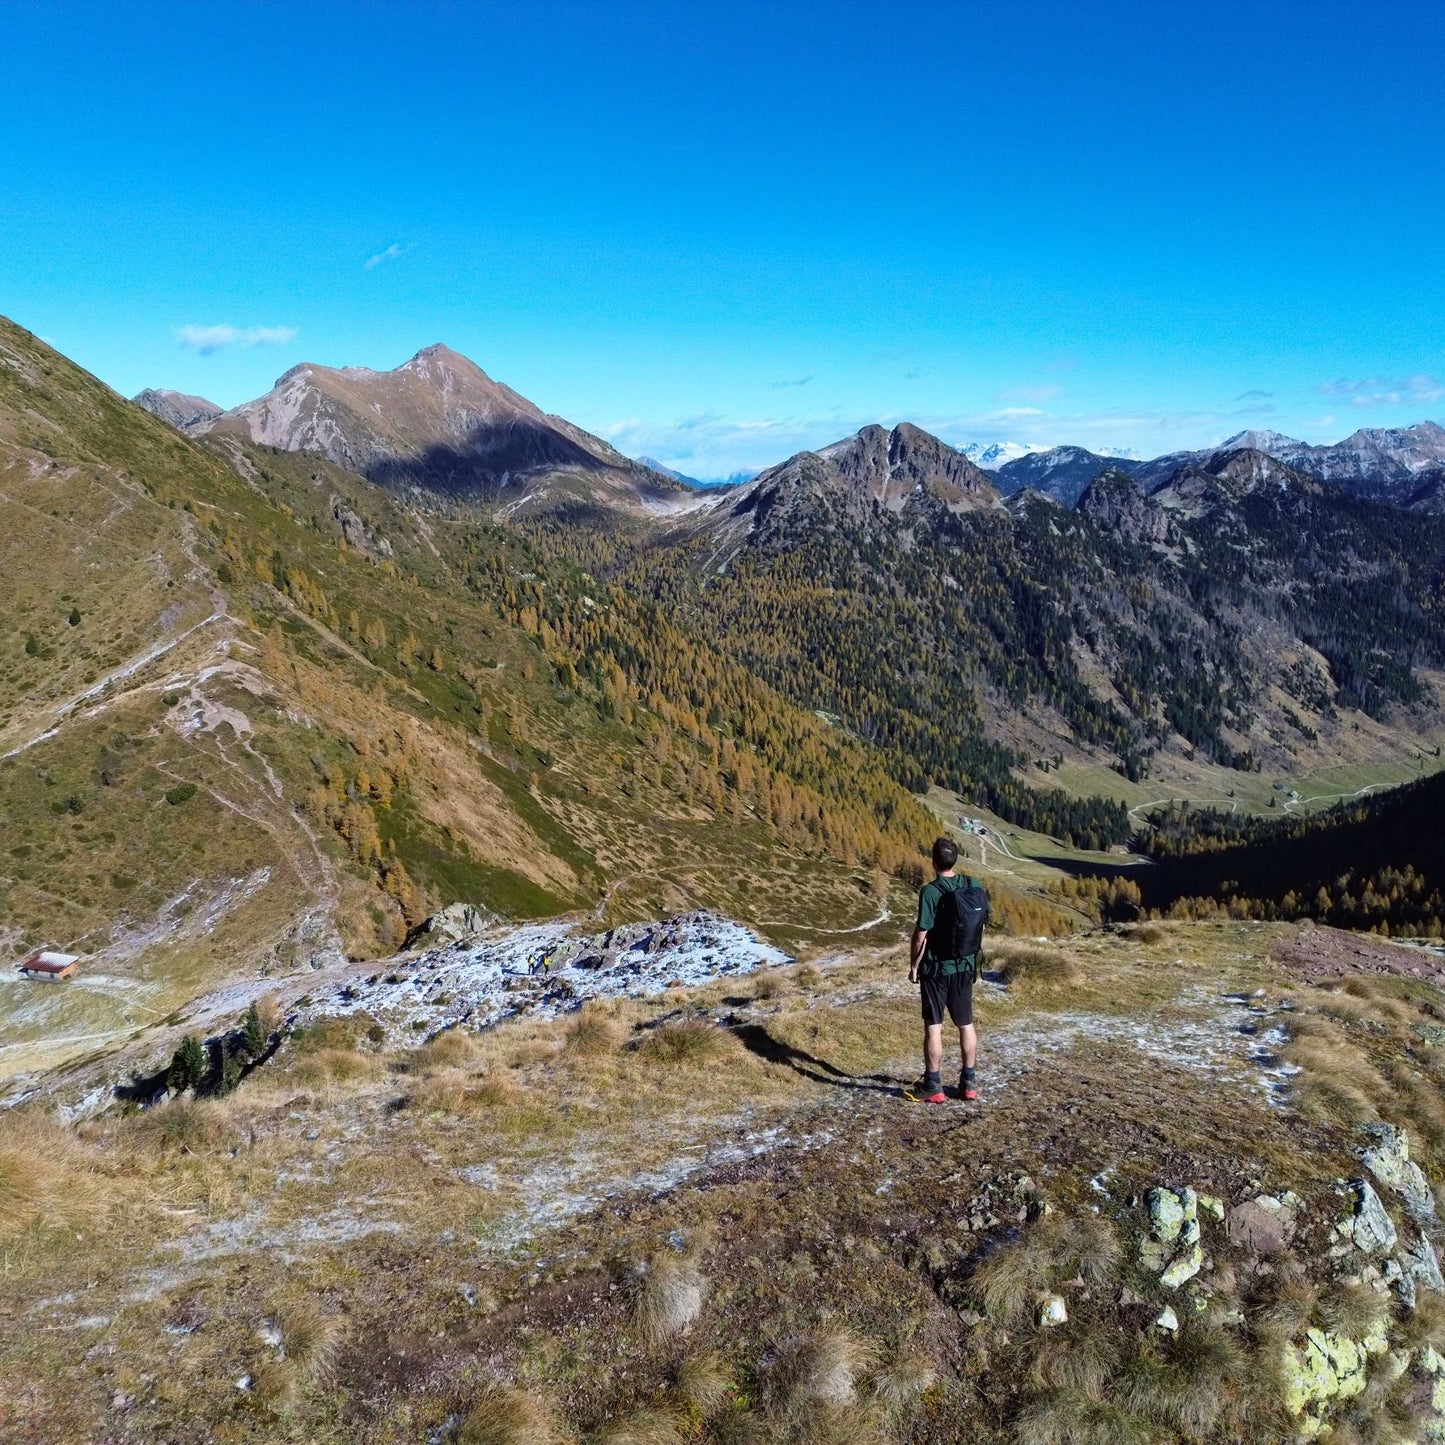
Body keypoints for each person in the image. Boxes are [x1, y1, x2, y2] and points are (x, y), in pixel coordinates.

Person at [908, 836, 986, 1103]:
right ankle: (969, 1083)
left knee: (934, 1026)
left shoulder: (931, 891)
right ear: (956, 859)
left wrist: (914, 964)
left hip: (936, 968)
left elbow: (921, 934)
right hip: (965, 965)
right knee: (966, 1024)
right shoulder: (973, 885)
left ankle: (933, 1085)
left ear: (933, 861)